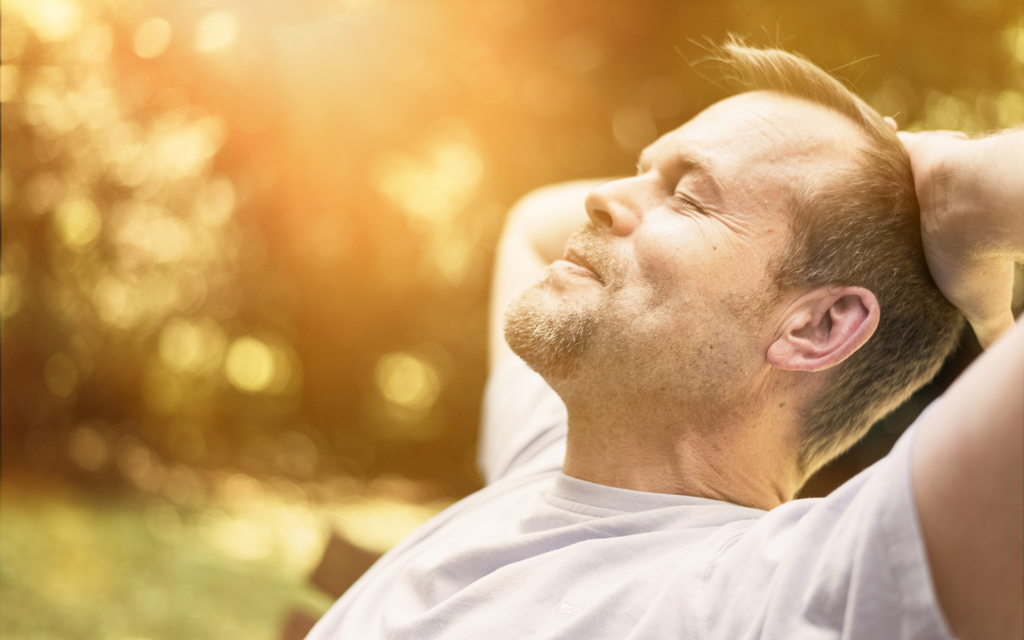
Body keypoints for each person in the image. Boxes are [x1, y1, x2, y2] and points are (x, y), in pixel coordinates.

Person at [306, 41, 1022, 640]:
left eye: (686, 194)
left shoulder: (773, 600)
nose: (601, 198)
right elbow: (531, 223)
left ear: (818, 326)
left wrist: (957, 186)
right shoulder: (546, 462)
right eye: (642, 170)